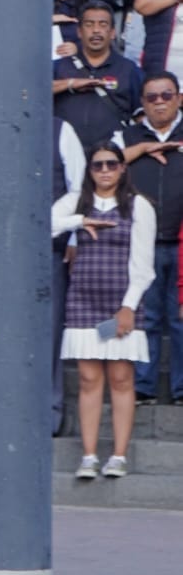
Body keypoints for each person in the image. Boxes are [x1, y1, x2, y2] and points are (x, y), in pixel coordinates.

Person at [53, 140, 155, 481]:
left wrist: (128, 307)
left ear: (123, 167)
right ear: (90, 170)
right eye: (98, 165)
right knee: (88, 378)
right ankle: (89, 455)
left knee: (121, 378)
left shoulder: (137, 206)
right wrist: (80, 221)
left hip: (119, 306)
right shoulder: (76, 203)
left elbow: (143, 265)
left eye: (112, 164)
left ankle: (119, 455)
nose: (105, 170)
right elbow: (44, 223)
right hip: (83, 302)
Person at [120, 72, 183, 405]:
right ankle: (144, 387)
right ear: (142, 103)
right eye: (152, 97)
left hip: (182, 242)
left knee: (180, 318)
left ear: (179, 98)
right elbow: (103, 164)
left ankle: (181, 388)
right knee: (148, 317)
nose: (160, 102)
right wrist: (144, 148)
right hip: (143, 243)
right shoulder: (129, 135)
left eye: (166, 95)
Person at [53, 0, 142, 150]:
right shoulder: (60, 67)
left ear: (113, 32)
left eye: (103, 24)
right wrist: (70, 84)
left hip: (110, 162)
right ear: (79, 32)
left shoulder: (128, 69)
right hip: (66, 155)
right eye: (89, 24)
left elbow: (142, 114)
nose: (96, 30)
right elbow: (35, 91)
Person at [50, 119, 88, 437]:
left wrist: (73, 237)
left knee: (49, 333)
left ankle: (50, 411)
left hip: (50, 248)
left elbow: (78, 187)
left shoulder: (61, 129)